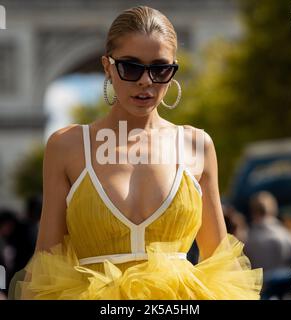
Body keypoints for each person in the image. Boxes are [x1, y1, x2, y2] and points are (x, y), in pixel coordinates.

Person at [9, 5, 262, 300]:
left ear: (173, 70)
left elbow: (219, 261)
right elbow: (46, 263)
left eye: (160, 69)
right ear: (107, 66)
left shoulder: (198, 145)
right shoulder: (66, 146)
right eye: (130, 67)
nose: (146, 81)